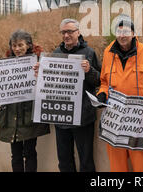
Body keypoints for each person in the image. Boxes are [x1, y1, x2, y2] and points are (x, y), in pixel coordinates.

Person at [0, 29, 50, 172]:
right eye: (14, 46)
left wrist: (40, 74)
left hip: (29, 116)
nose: (17, 49)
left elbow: (47, 85)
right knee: (15, 155)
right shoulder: (5, 64)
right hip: (10, 116)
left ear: (28, 45)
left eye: (20, 45)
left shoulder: (38, 62)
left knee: (29, 152)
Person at [96, 16, 143, 172]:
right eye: (119, 31)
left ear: (133, 33)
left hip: (139, 121)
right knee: (117, 167)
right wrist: (102, 94)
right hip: (114, 120)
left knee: (142, 167)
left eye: (126, 31)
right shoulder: (108, 52)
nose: (122, 35)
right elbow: (105, 82)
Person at [34, 19, 101, 172]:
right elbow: (49, 84)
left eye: (70, 31)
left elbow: (99, 80)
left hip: (83, 117)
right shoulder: (55, 54)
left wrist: (89, 71)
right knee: (64, 160)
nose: (66, 35)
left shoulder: (89, 53)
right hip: (61, 116)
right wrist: (41, 73)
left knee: (86, 160)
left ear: (78, 32)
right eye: (63, 32)